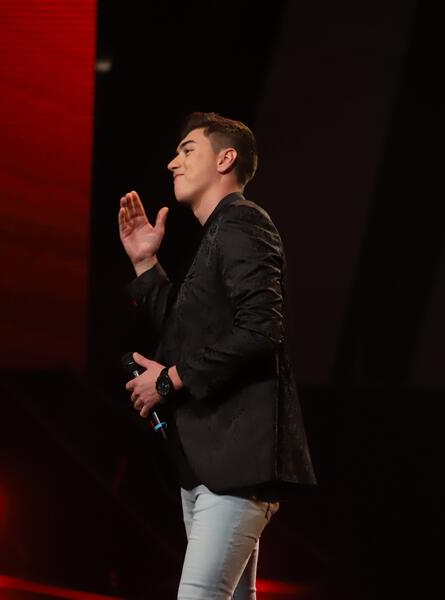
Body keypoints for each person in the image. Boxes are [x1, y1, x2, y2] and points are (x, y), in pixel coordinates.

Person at [118, 112, 316, 600]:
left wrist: (168, 380)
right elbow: (185, 333)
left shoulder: (243, 222)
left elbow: (262, 329)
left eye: (187, 150)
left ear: (226, 158)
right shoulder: (219, 232)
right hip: (210, 466)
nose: (173, 162)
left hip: (235, 466)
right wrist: (145, 262)